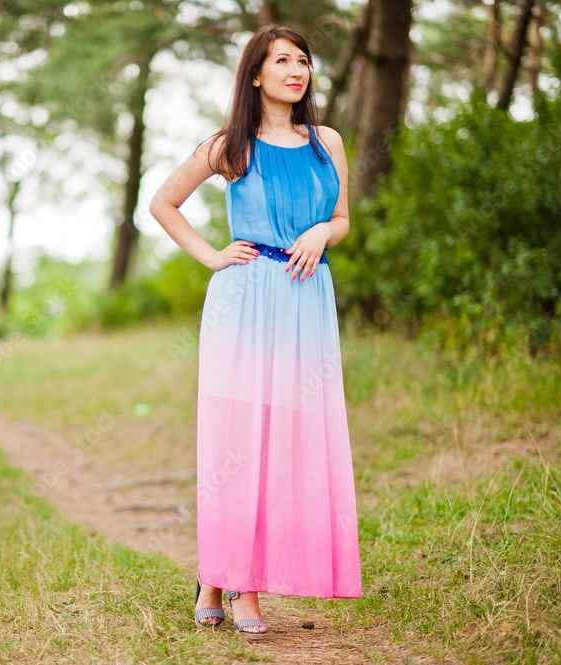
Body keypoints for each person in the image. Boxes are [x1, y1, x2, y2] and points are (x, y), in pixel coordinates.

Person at [148, 24, 363, 639]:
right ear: (255, 75)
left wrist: (324, 232)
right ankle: (241, 583)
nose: (297, 71)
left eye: (304, 61)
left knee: (288, 440)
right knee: (239, 440)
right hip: (245, 297)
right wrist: (212, 255)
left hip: (306, 298)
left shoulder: (327, 141)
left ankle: (215, 574)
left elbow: (343, 217)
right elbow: (163, 203)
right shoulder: (230, 145)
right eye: (283, 61)